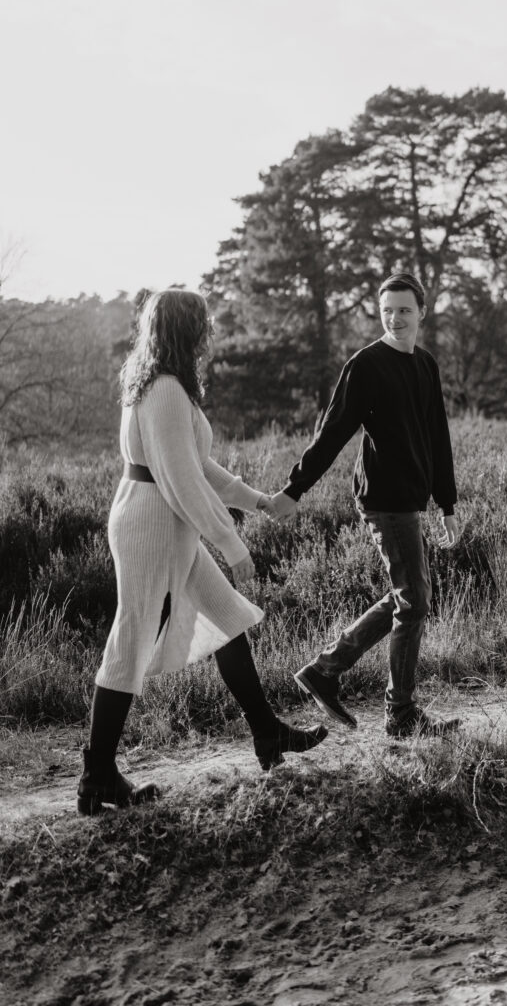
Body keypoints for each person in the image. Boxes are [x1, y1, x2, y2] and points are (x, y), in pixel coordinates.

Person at [78, 289, 327, 817]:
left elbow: (197, 466)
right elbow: (183, 482)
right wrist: (232, 544)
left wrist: (255, 500)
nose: (209, 334)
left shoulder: (158, 383)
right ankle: (96, 773)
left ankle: (267, 735)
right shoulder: (165, 389)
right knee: (131, 637)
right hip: (153, 526)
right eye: (204, 325)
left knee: (228, 617)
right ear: (188, 331)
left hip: (163, 521)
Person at [267, 272, 460, 739]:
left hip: (411, 497)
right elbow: (333, 432)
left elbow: (437, 434)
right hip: (383, 498)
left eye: (404, 310)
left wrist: (447, 502)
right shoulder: (366, 365)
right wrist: (295, 489)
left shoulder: (425, 365)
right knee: (414, 602)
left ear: (422, 313)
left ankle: (325, 671)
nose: (395, 318)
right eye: (387, 310)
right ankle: (400, 714)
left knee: (407, 597)